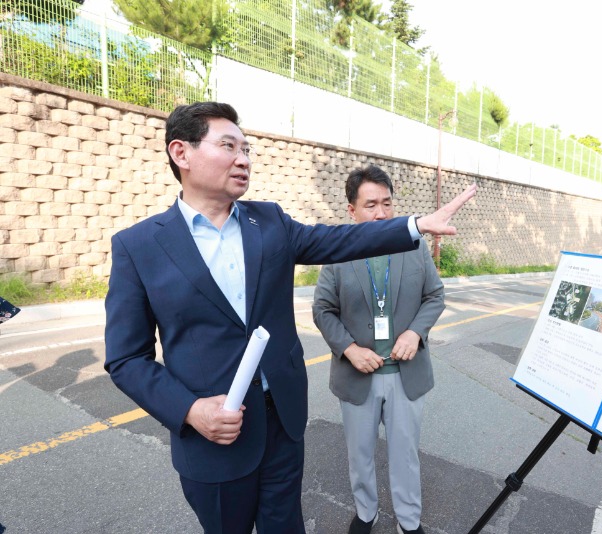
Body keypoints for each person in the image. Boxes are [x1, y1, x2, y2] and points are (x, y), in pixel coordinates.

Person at [103, 102, 476, 534]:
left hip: (282, 423)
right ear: (181, 153)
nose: (243, 158)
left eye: (247, 148)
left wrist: (414, 225)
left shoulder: (270, 221)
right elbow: (127, 360)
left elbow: (338, 241)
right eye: (228, 146)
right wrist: (188, 410)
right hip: (214, 437)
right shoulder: (139, 246)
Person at [313, 166, 444, 534]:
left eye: (387, 203)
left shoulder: (413, 245)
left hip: (406, 374)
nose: (382, 213)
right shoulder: (338, 252)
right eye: (371, 205)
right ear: (351, 210)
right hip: (359, 376)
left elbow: (434, 296)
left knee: (405, 455)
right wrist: (349, 349)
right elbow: (323, 309)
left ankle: (408, 520)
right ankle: (365, 512)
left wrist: (415, 333)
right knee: (361, 455)